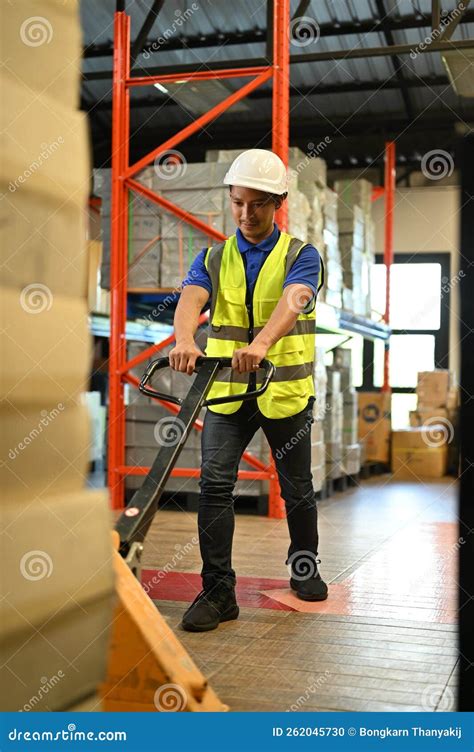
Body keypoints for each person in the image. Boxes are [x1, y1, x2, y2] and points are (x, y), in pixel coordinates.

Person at [169, 149, 327, 633]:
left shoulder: (302, 256)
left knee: (297, 489)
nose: (245, 214)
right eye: (238, 202)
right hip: (228, 395)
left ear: (278, 202)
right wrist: (182, 340)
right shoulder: (213, 257)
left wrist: (261, 343)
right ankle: (218, 592)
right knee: (214, 486)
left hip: (284, 394)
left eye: (257, 204)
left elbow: (295, 301)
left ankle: (305, 568)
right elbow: (192, 298)